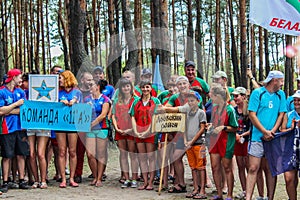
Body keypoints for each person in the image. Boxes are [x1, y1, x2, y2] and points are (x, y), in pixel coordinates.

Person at [246, 70, 287, 200]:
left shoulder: (281, 95)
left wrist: (272, 131)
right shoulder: (258, 93)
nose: (282, 84)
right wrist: (264, 131)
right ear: (274, 80)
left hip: (273, 137)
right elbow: (252, 114)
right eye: (281, 81)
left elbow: (281, 114)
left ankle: (270, 197)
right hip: (257, 137)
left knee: (271, 169)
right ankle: (248, 197)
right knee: (253, 168)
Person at [161, 92, 207, 199]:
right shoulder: (186, 113)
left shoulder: (201, 113)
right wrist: (186, 141)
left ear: (198, 101)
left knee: (200, 167)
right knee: (193, 167)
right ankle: (195, 189)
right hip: (189, 144)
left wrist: (192, 141)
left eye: (193, 100)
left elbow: (202, 128)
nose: (190, 103)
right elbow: (184, 127)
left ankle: (202, 190)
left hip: (199, 143)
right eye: (189, 101)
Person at [166, 76, 202, 193]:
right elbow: (168, 107)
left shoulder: (194, 96)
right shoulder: (174, 97)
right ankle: (181, 183)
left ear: (188, 85)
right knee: (176, 157)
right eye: (180, 84)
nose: (182, 86)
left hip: (195, 133)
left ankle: (200, 186)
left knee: (197, 161)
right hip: (182, 134)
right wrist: (163, 108)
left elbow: (191, 109)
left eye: (184, 83)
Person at [0, 69, 30, 192]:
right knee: (7, 155)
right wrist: (15, 105)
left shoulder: (21, 92)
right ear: (13, 77)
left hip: (20, 127)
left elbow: (24, 110)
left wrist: (8, 110)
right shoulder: (2, 91)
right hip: (7, 128)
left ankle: (22, 179)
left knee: (21, 154)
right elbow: (1, 111)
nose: (21, 80)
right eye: (19, 77)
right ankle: (6, 181)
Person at [207, 84, 238, 200]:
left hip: (226, 141)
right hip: (214, 140)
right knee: (215, 167)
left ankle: (229, 195)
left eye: (212, 94)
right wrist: (210, 126)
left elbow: (235, 127)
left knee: (227, 168)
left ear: (217, 96)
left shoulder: (230, 109)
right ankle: (219, 194)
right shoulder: (214, 108)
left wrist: (224, 127)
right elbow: (215, 123)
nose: (210, 96)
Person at [129, 80, 161, 190]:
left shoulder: (156, 101)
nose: (145, 89)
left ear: (151, 88)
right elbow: (132, 116)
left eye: (147, 87)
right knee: (142, 157)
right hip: (138, 132)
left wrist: (147, 131)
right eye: (143, 87)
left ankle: (151, 182)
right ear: (140, 89)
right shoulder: (136, 102)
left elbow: (157, 118)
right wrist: (136, 131)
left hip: (151, 133)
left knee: (151, 157)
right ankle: (145, 181)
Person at [56, 70, 82, 188]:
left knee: (72, 151)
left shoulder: (77, 92)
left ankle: (71, 177)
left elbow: (83, 107)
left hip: (73, 124)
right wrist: (60, 102)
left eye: (61, 78)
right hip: (60, 124)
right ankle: (63, 178)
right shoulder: (57, 92)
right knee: (61, 151)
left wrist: (75, 102)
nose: (59, 80)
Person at [112, 78, 139, 188]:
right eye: (123, 86)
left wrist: (131, 130)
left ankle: (134, 178)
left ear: (131, 87)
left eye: (128, 86)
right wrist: (116, 128)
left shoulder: (136, 100)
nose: (126, 88)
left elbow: (137, 117)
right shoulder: (117, 100)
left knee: (133, 155)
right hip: (120, 130)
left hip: (131, 130)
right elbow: (113, 115)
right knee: (123, 155)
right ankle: (126, 178)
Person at [84, 79, 111, 187]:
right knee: (90, 154)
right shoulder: (86, 99)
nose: (90, 86)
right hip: (90, 130)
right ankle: (95, 176)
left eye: (92, 84)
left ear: (98, 86)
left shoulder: (105, 99)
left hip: (102, 128)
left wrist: (91, 124)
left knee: (101, 154)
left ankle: (100, 177)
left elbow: (103, 115)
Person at [74, 71, 94, 183]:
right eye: (88, 80)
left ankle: (97, 174)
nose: (90, 82)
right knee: (79, 151)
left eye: (91, 80)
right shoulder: (76, 92)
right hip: (80, 125)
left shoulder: (94, 91)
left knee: (93, 152)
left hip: (93, 125)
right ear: (82, 80)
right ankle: (78, 173)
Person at [280, 90, 300, 200]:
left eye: (299, 100)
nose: (296, 102)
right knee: (288, 178)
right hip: (289, 150)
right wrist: (291, 129)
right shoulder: (288, 115)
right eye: (295, 100)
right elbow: (282, 130)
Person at [232, 87, 251, 199]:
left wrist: (242, 135)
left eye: (237, 96)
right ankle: (244, 190)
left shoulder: (249, 110)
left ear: (243, 96)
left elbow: (252, 128)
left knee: (249, 166)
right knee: (240, 166)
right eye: (234, 96)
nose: (235, 98)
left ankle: (249, 190)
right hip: (237, 141)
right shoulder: (233, 110)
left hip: (247, 141)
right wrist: (236, 135)